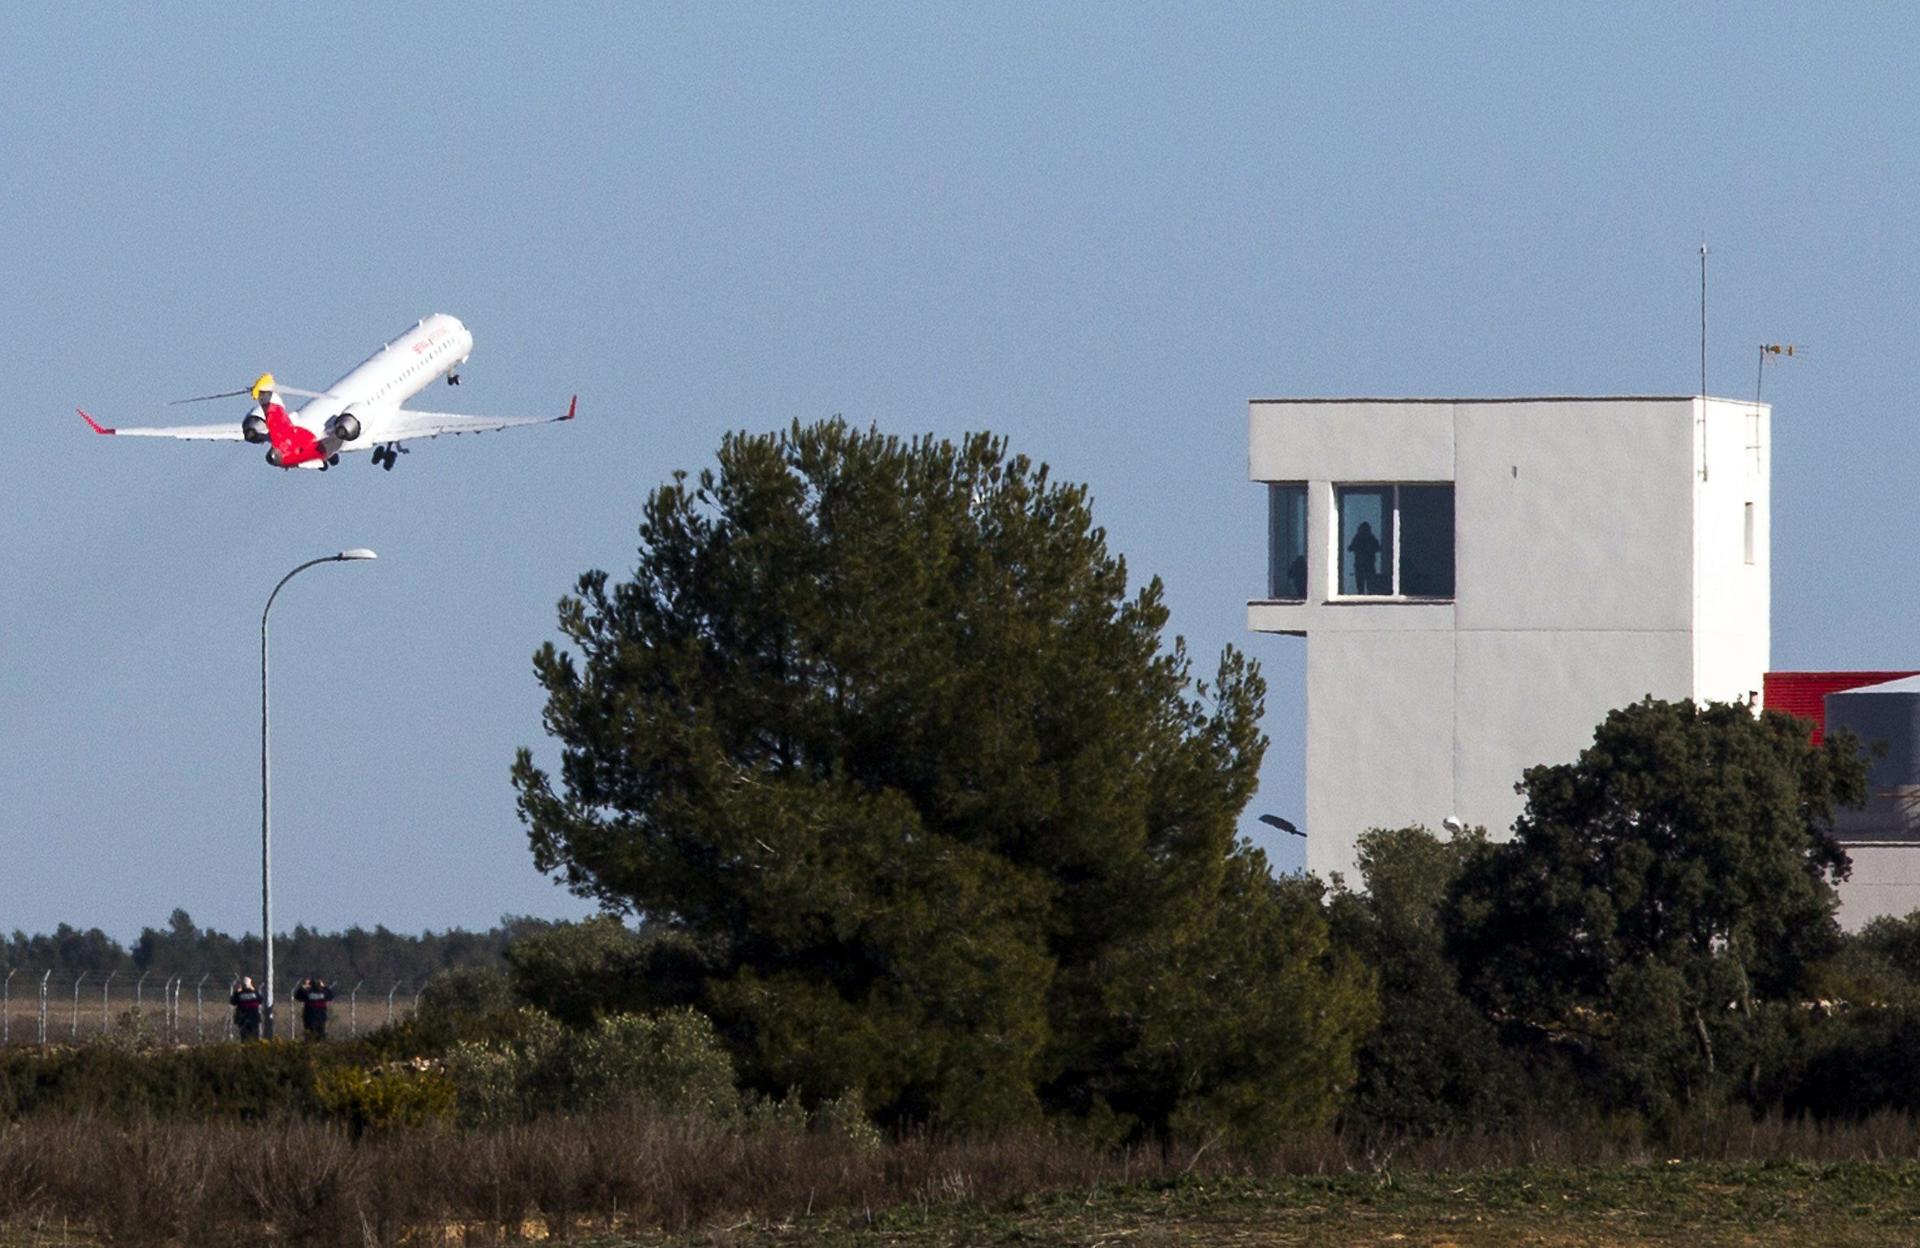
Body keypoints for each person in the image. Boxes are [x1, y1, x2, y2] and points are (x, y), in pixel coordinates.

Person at [294, 976, 335, 1041]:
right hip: (321, 1018)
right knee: (321, 1036)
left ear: (311, 985)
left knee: (310, 1037)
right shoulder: (323, 993)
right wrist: (324, 986)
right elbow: (331, 995)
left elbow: (297, 996)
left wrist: (303, 986)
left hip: (309, 1018)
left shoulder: (308, 994)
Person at [1348, 520, 1383, 594]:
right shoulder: (1364, 538)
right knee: (1365, 585)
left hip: (1366, 565)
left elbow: (1378, 548)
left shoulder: (1363, 538)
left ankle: (1366, 595)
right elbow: (1350, 548)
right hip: (1363, 565)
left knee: (1368, 585)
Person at [230, 976, 263, 1041]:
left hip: (243, 1018)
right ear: (250, 984)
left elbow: (233, 1002)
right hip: (254, 1018)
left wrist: (237, 991)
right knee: (255, 1037)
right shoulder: (254, 993)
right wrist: (254, 989)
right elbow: (261, 1000)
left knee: (244, 1037)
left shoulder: (239, 994)